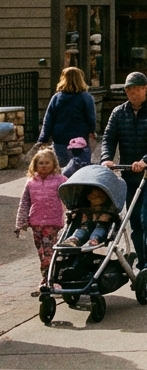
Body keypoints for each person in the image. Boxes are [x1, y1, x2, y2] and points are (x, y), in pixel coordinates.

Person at [100, 71, 147, 280]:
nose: (133, 93)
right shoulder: (118, 113)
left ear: (145, 89)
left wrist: (146, 160)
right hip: (131, 174)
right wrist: (107, 158)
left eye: (137, 89)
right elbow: (109, 138)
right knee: (134, 222)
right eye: (129, 90)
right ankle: (141, 262)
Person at [15, 148, 65, 294]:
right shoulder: (31, 182)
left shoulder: (60, 180)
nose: (44, 166)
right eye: (40, 163)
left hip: (52, 222)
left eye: (47, 163)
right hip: (36, 223)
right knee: (41, 252)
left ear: (53, 163)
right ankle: (48, 278)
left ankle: (49, 280)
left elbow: (69, 195)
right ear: (35, 165)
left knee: (49, 252)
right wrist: (21, 223)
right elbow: (24, 202)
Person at [38, 67, 97, 168]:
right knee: (81, 169)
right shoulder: (86, 97)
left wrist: (43, 138)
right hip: (80, 140)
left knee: (61, 170)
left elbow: (49, 119)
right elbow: (91, 117)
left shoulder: (56, 97)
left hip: (60, 139)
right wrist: (92, 130)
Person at [59, 187, 116, 251]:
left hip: (101, 227)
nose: (98, 198)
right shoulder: (84, 210)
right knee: (81, 230)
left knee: (99, 230)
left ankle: (94, 240)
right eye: (94, 196)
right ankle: (74, 240)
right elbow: (82, 221)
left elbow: (107, 220)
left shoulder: (108, 210)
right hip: (86, 227)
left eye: (100, 196)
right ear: (89, 197)